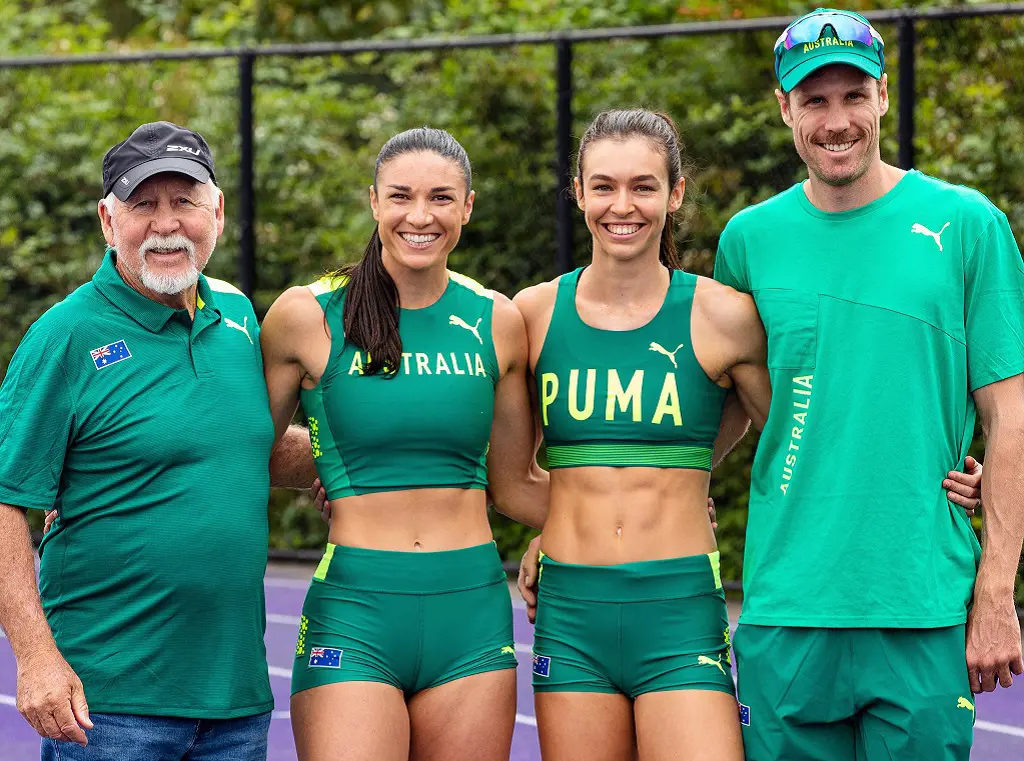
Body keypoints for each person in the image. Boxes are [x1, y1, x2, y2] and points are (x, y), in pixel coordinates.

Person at [712, 9, 1024, 760]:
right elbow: (719, 417)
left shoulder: (967, 225)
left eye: (853, 95)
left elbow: (1009, 418)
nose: (837, 120)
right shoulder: (748, 241)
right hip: (787, 606)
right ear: (784, 108)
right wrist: (577, 513)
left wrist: (996, 592)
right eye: (814, 100)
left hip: (919, 599)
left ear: (883, 96)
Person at [0, 121, 312, 761]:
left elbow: (241, 443)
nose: (166, 224)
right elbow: (5, 498)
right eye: (143, 204)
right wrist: (35, 657)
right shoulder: (66, 336)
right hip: (107, 706)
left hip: (237, 704)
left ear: (217, 213)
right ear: (107, 221)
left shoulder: (238, 319)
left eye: (184, 202)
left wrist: (354, 465)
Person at [259, 127, 547, 761]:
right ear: (373, 202)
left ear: (468, 207)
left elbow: (517, 484)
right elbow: (241, 452)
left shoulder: (497, 321)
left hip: (471, 612)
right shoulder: (306, 316)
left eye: (442, 198)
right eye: (401, 197)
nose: (421, 216)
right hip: (356, 610)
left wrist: (651, 505)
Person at [510, 108, 770, 761]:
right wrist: (563, 520)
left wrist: (685, 481)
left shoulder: (725, 316)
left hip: (679, 609)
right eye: (603, 186)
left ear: (674, 194)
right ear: (577, 192)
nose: (621, 205)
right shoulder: (532, 314)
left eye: (643, 186)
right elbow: (509, 477)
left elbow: (800, 434)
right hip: (571, 615)